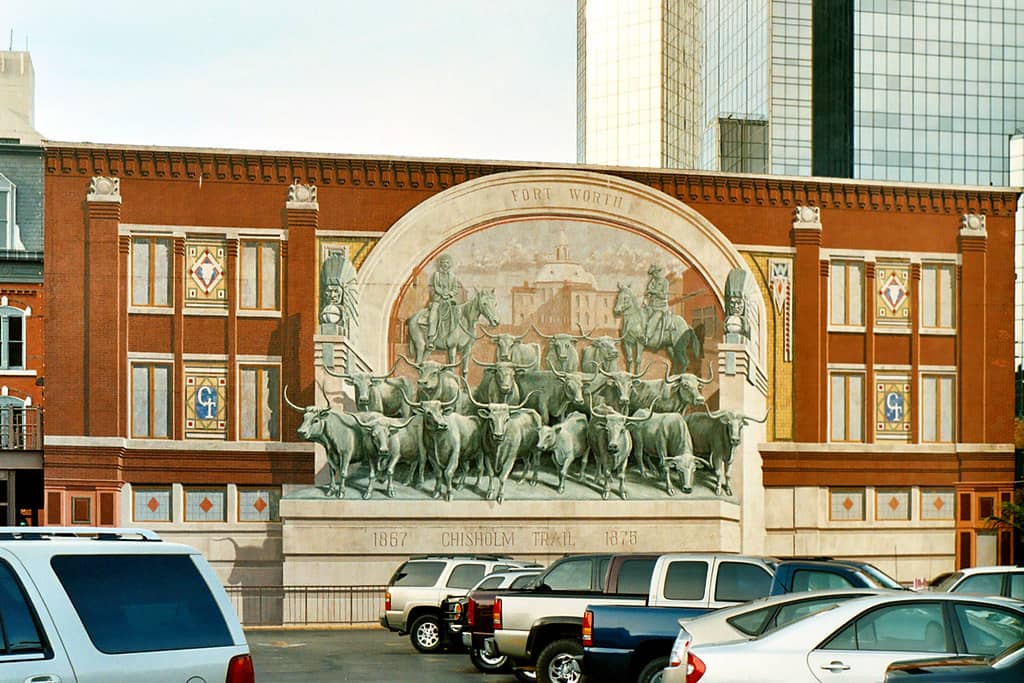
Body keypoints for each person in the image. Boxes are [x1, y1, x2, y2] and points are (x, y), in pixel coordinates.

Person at [426, 254, 459, 351]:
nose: (445, 264)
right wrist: (442, 294)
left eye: (447, 262)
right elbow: (436, 287)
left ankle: (456, 338)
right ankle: (431, 339)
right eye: (444, 262)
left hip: (449, 300)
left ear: (450, 264)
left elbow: (455, 288)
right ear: (440, 264)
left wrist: (449, 294)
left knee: (459, 314)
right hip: (438, 300)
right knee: (433, 317)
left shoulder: (452, 276)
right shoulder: (436, 275)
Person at [644, 264, 669, 346]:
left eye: (654, 273)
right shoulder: (651, 282)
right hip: (651, 306)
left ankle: (646, 338)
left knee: (653, 319)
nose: (653, 275)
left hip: (661, 307)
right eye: (652, 274)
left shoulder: (665, 282)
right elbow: (647, 295)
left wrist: (654, 292)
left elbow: (665, 296)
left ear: (658, 272)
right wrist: (646, 297)